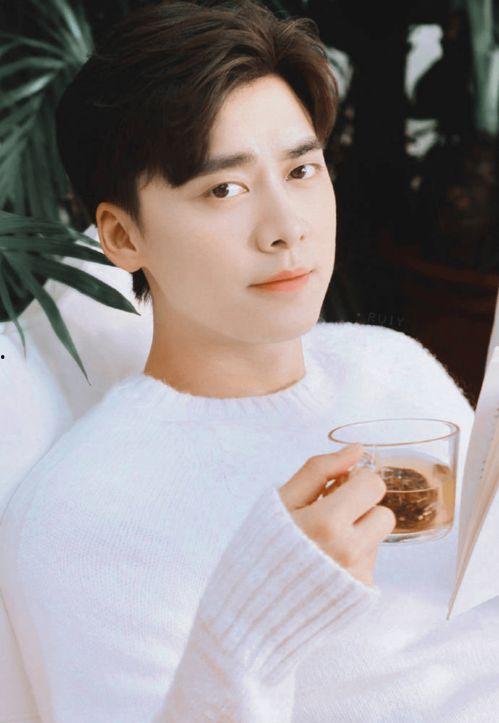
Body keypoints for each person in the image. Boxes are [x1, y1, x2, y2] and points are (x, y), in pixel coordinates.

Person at [0, 1, 493, 721]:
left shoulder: (392, 367)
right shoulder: (83, 516)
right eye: (224, 189)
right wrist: (252, 621)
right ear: (123, 236)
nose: (286, 228)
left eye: (301, 170)